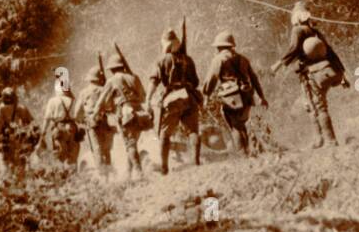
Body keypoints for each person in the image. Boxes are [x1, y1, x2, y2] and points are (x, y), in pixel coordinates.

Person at [271, 2, 347, 148]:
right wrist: (342, 75)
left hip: (311, 75)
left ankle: (329, 140)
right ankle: (319, 140)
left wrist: (279, 64)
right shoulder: (316, 32)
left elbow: (293, 49)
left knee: (316, 106)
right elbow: (331, 53)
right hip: (326, 71)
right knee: (314, 105)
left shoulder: (298, 30)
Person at [202, 31, 268, 155]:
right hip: (247, 95)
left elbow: (211, 79)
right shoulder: (243, 58)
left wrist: (206, 96)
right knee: (241, 124)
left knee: (235, 127)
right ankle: (249, 151)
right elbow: (254, 78)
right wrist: (261, 97)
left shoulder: (218, 59)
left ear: (220, 47)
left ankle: (242, 154)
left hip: (231, 97)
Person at [148, 27, 203, 175]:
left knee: (164, 135)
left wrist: (148, 100)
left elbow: (154, 82)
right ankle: (196, 162)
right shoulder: (188, 59)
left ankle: (164, 168)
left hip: (172, 98)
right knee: (193, 131)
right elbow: (196, 82)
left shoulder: (161, 60)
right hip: (189, 97)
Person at [96, 49, 150, 179]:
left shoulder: (112, 80)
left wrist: (95, 114)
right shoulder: (134, 77)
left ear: (112, 69)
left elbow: (101, 102)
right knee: (131, 144)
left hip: (126, 115)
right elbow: (143, 96)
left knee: (130, 145)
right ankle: (128, 172)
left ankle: (139, 173)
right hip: (139, 114)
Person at [76, 63, 113, 176]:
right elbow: (110, 107)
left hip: (91, 123)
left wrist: (81, 121)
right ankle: (108, 173)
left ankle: (102, 175)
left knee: (97, 148)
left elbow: (77, 112)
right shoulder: (104, 90)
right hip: (105, 121)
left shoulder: (83, 93)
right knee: (106, 148)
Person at [0, 87, 35, 180]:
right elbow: (32, 123)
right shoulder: (22, 108)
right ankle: (22, 181)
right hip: (21, 139)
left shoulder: (1, 109)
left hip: (7, 140)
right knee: (21, 162)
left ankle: (10, 182)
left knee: (6, 164)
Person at [40, 75, 81, 167]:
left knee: (60, 155)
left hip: (59, 129)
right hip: (72, 128)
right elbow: (79, 116)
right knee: (73, 155)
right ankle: (75, 176)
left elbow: (47, 118)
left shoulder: (53, 101)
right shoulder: (73, 100)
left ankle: (64, 176)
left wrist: (43, 133)